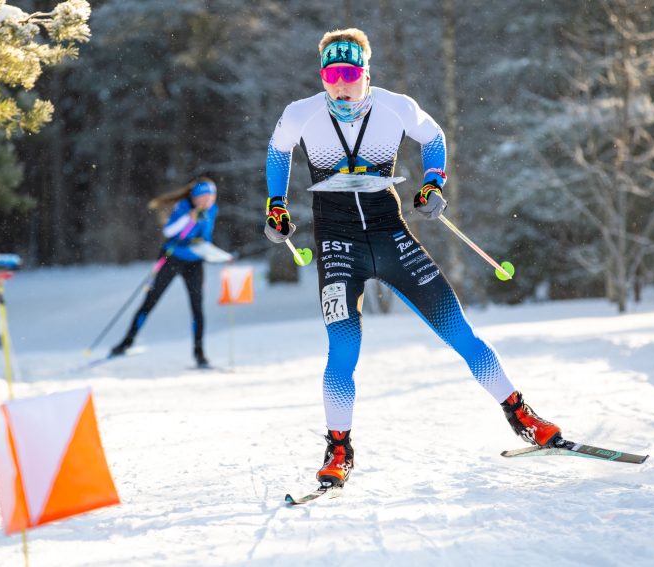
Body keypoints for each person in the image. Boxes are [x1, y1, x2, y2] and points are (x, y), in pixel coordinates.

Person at [263, 28, 562, 488]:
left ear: (366, 73)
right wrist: (276, 204)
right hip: (337, 242)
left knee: (458, 330)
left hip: (390, 234)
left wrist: (433, 182)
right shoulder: (301, 114)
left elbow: (434, 136)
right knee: (343, 349)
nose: (339, 86)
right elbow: (277, 150)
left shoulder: (395, 106)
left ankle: (521, 414)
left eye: (349, 74)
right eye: (330, 75)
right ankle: (338, 448)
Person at [110, 176, 219, 368]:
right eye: (204, 197)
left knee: (197, 307)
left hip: (194, 262)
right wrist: (189, 218)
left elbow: (206, 238)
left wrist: (218, 254)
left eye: (211, 197)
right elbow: (169, 232)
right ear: (195, 198)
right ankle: (126, 342)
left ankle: (199, 353)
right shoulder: (183, 207)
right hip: (172, 258)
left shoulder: (212, 210)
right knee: (150, 300)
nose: (208, 201)